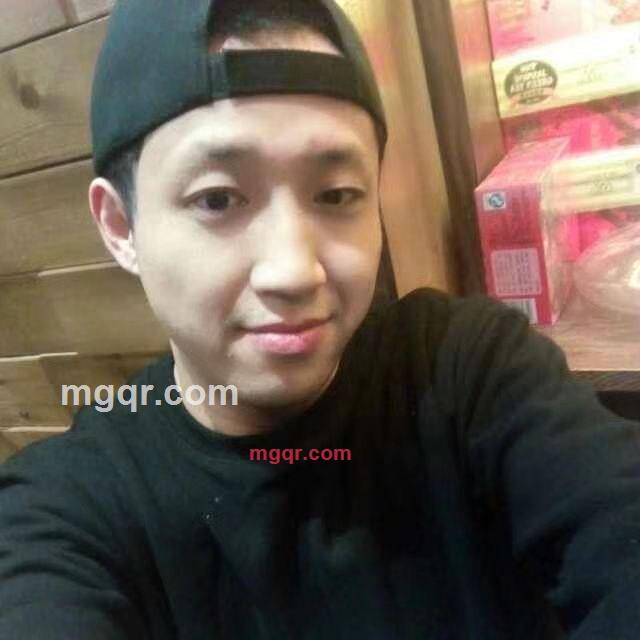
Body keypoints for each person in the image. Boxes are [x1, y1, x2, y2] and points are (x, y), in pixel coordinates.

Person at [1, 1, 639, 638]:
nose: (294, 271)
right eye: (217, 199)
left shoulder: (466, 373)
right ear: (121, 227)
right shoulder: (73, 505)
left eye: (336, 195)